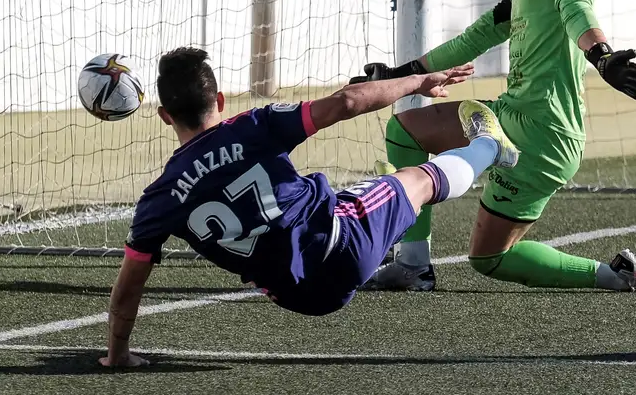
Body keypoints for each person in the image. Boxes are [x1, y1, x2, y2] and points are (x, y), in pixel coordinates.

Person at [352, 0, 636, 294]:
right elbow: (476, 37)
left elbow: (579, 10)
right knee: (405, 129)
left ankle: (614, 274)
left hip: (543, 136)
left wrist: (603, 58)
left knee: (488, 259)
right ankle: (413, 266)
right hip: (509, 117)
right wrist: (399, 73)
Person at [100, 47, 519, 368]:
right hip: (344, 245)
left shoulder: (158, 198)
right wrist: (417, 82)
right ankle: (489, 145)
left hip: (298, 297)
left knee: (360, 199)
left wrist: (118, 355)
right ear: (221, 100)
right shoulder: (254, 126)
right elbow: (347, 103)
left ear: (163, 116)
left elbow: (128, 289)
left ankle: (379, 195)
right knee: (419, 180)